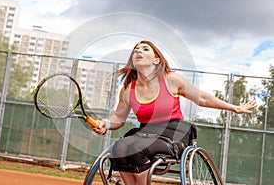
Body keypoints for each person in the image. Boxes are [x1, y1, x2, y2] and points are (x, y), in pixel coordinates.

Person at [92, 40, 257, 184]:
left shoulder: (171, 79)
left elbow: (203, 98)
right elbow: (119, 117)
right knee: (120, 147)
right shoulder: (128, 89)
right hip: (144, 133)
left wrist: (235, 108)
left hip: (172, 134)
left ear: (156, 60)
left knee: (137, 146)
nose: (138, 51)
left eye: (144, 49)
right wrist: (105, 123)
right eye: (136, 50)